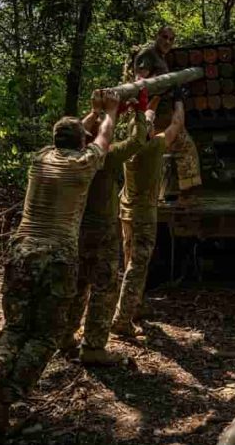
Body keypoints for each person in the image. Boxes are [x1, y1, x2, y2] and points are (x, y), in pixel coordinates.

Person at [0, 90, 121, 434]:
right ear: (81, 141)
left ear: (55, 139)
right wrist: (110, 112)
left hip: (21, 251)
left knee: (15, 327)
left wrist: (91, 111)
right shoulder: (83, 164)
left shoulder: (40, 158)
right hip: (57, 257)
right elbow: (103, 136)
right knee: (45, 336)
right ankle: (2, 402)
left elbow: (75, 133)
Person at [59, 87, 155, 365]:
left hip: (75, 230)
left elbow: (72, 131)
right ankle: (93, 346)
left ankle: (65, 336)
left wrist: (97, 111)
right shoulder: (106, 157)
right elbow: (138, 140)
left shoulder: (64, 156)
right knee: (104, 286)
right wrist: (139, 110)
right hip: (102, 230)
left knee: (77, 283)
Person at [110, 87, 187, 337]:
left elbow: (145, 121)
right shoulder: (155, 148)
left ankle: (136, 306)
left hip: (127, 213)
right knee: (137, 266)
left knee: (130, 259)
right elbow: (177, 123)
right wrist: (178, 100)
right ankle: (122, 319)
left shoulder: (127, 149)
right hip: (143, 216)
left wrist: (150, 99)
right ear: (149, 131)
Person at [134, 26, 202, 200]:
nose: (168, 42)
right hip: (155, 115)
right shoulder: (148, 54)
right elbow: (140, 83)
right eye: (165, 37)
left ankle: (155, 193)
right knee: (185, 147)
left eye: (171, 39)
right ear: (157, 36)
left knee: (164, 152)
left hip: (164, 113)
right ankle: (187, 196)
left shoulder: (160, 58)